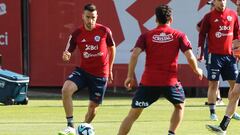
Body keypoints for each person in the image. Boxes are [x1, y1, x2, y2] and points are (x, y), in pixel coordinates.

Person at [117, 5, 203, 135]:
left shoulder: (146, 36)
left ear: (156, 19)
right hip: (170, 83)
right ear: (171, 19)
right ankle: (171, 133)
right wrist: (196, 69)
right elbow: (190, 56)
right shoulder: (179, 35)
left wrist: (130, 76)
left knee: (133, 114)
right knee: (180, 105)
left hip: (149, 83)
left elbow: (134, 54)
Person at [58, 3, 116, 135]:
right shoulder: (77, 33)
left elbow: (112, 48)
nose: (91, 21)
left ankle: (83, 128)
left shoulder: (104, 31)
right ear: (82, 17)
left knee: (93, 108)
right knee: (66, 90)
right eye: (88, 17)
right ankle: (70, 126)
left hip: (101, 75)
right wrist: (66, 55)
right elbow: (67, 51)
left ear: (97, 17)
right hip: (83, 72)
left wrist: (110, 68)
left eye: (93, 17)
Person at [198, 0, 240, 121]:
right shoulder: (208, 17)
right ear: (214, 2)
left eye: (224, 0)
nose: (222, 3)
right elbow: (202, 34)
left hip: (230, 56)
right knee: (213, 84)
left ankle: (231, 111)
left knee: (235, 85)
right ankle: (212, 112)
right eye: (219, 0)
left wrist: (237, 51)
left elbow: (237, 34)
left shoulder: (233, 15)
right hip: (214, 56)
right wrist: (200, 52)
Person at [196, 0, 224, 106]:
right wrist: (207, 31)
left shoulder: (226, 16)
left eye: (212, 4)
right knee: (213, 75)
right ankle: (217, 98)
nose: (211, 7)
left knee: (219, 75)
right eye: (210, 5)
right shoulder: (208, 17)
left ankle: (218, 98)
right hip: (210, 50)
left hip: (223, 51)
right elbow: (198, 26)